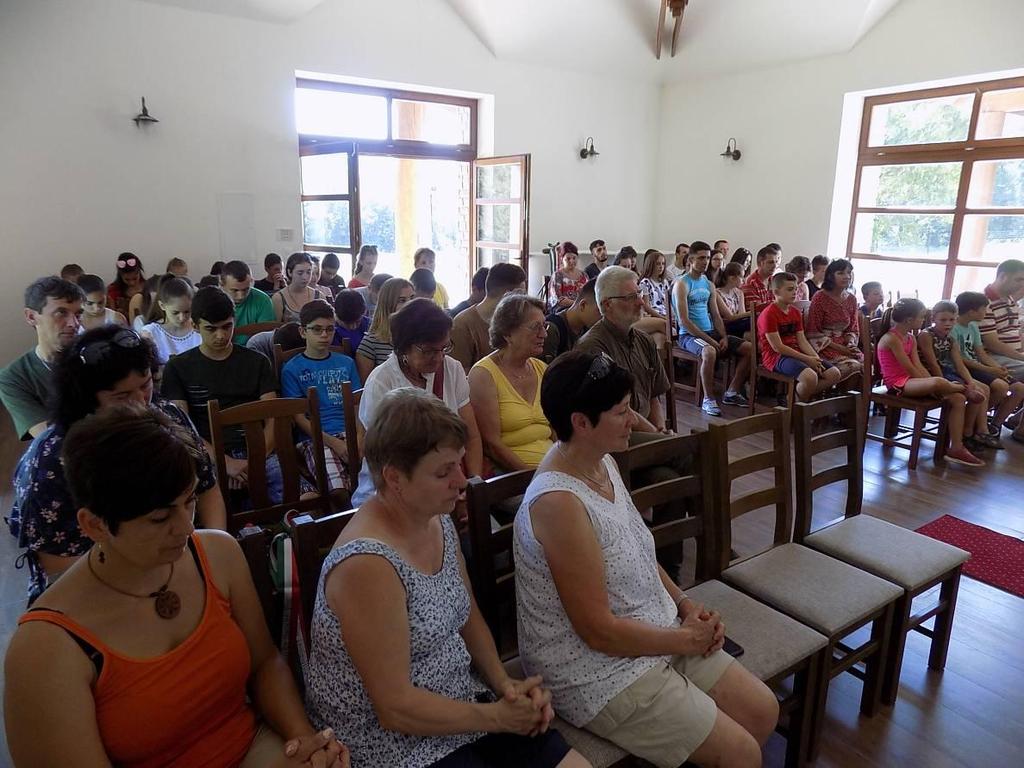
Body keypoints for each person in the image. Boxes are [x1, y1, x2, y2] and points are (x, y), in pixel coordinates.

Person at [5, 406, 347, 768]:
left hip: (254, 749)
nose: (186, 527)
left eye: (190, 502)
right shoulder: (47, 648)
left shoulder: (215, 553)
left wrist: (305, 742)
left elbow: (264, 663)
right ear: (95, 525)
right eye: (159, 518)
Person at [514, 350, 778, 768]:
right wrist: (684, 639)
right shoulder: (558, 502)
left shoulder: (600, 461)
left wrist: (686, 607)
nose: (635, 419)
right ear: (581, 423)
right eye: (621, 412)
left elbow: (638, 547)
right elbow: (597, 633)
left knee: (763, 710)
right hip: (593, 669)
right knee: (743, 754)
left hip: (648, 626)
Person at [305, 388, 584, 768]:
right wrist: (498, 717)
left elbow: (467, 614)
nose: (461, 479)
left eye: (458, 463)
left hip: (460, 702)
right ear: (394, 478)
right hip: (394, 744)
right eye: (443, 471)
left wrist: (505, 686)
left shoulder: (435, 518)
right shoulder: (366, 564)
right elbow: (395, 708)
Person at [9, 326, 227, 603]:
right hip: (97, 590)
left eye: (146, 385)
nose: (140, 404)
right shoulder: (52, 460)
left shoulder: (167, 418)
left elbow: (207, 489)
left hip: (176, 564)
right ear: (87, 399)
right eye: (122, 397)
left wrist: (208, 558)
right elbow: (61, 566)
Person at [351, 299, 484, 506]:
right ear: (403, 347)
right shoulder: (382, 381)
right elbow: (383, 457)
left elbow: (472, 436)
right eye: (429, 350)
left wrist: (472, 486)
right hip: (395, 492)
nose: (439, 358)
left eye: (444, 348)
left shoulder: (452, 369)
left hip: (447, 485)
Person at [161, 286, 286, 500]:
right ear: (195, 326)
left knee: (302, 497)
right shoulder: (177, 368)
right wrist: (225, 463)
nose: (221, 335)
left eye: (227, 326)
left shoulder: (256, 361)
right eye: (211, 329)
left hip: (259, 451)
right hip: (206, 454)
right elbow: (182, 427)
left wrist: (253, 460)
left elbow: (273, 418)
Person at [879, 298, 983, 466]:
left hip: (913, 381)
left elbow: (918, 365)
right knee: (937, 383)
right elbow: (909, 368)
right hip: (898, 383)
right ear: (909, 320)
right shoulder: (891, 338)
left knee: (957, 399)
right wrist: (932, 384)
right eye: (921, 317)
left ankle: (956, 447)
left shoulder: (911, 338)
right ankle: (963, 388)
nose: (923, 320)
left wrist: (931, 381)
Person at [577, 266, 670, 434]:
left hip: (647, 432)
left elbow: (653, 395)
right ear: (607, 305)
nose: (641, 302)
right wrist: (657, 437)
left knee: (693, 448)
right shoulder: (593, 347)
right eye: (631, 297)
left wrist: (660, 428)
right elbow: (615, 406)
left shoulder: (645, 340)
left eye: (640, 294)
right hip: (614, 435)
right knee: (688, 454)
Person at [281, 301, 362, 494]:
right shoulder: (291, 369)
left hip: (351, 432)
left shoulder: (346, 362)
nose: (325, 335)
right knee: (338, 489)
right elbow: (299, 418)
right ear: (303, 332)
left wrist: (359, 439)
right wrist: (335, 443)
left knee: (375, 480)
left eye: (329, 329)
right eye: (317, 330)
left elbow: (358, 405)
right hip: (315, 437)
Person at [469, 295, 552, 472]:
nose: (544, 334)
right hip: (511, 477)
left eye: (544, 326)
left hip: (550, 469)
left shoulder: (542, 369)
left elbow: (556, 431)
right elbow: (492, 445)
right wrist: (535, 478)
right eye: (535, 327)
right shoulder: (483, 374)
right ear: (507, 333)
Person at [0, 277, 84, 439]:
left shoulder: (94, 357)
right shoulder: (13, 377)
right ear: (31, 317)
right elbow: (49, 440)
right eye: (61, 313)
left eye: (78, 314)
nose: (73, 324)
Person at [673, 244, 751, 416]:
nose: (705, 262)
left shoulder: (709, 284)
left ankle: (732, 392)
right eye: (701, 258)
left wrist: (722, 336)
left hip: (711, 332)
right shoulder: (682, 284)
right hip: (689, 335)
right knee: (709, 352)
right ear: (691, 260)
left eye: (707, 258)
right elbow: (684, 322)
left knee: (749, 349)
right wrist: (711, 341)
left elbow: (716, 315)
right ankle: (708, 400)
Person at [918, 301, 999, 453]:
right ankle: (964, 394)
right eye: (943, 320)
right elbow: (933, 364)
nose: (948, 324)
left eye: (951, 320)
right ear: (933, 319)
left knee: (982, 389)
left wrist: (970, 381)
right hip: (930, 373)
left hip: (948, 370)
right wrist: (944, 385)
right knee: (965, 391)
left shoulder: (951, 339)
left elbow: (959, 365)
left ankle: (967, 432)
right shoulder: (926, 335)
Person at [757, 272, 842, 403]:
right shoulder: (769, 314)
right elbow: (778, 347)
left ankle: (792, 399)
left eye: (795, 289)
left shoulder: (795, 312)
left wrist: (815, 358)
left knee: (834, 374)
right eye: (790, 289)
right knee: (810, 378)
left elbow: (802, 340)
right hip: (776, 357)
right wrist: (807, 359)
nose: (794, 293)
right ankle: (796, 406)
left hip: (796, 352)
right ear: (776, 291)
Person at [953, 291, 1024, 444]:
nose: (986, 313)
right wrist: (990, 370)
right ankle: (973, 426)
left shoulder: (972, 326)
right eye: (984, 309)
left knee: (1019, 388)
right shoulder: (954, 328)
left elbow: (981, 354)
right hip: (966, 368)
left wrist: (999, 368)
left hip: (979, 365)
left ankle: (992, 427)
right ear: (972, 311)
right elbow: (961, 360)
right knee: (1000, 386)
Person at [451, 263, 527, 374]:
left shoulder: (514, 322)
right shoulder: (462, 325)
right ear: (508, 295)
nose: (524, 300)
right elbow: (460, 378)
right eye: (522, 295)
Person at [805, 259, 864, 383]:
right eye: (841, 273)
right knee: (855, 366)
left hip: (844, 343)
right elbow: (813, 332)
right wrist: (841, 349)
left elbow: (852, 328)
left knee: (867, 365)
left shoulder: (851, 299)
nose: (846, 276)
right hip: (825, 346)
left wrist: (850, 343)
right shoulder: (820, 297)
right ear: (831, 276)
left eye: (849, 273)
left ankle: (851, 400)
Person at [355, 277, 414, 383]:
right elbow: (367, 390)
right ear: (388, 305)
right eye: (402, 300)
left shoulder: (421, 338)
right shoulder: (371, 343)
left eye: (412, 298)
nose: (410, 305)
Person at [979, 258, 1024, 381]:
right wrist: (1021, 357)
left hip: (1014, 355)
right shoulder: (984, 302)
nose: (1022, 284)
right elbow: (992, 344)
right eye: (1019, 279)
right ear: (1003, 276)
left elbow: (1016, 332)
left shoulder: (1010, 300)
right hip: (994, 356)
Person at [140, 276, 201, 366]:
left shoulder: (199, 329)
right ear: (162, 306)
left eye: (187, 311)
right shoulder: (150, 333)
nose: (182, 318)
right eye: (175, 313)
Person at [542, 278, 601, 363]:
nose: (603, 317)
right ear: (583, 305)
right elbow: (544, 371)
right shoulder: (552, 328)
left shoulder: (587, 327)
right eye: (599, 311)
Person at [221, 259, 276, 345]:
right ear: (222, 286)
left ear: (252, 282)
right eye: (235, 290)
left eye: (246, 289)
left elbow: (265, 339)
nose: (241, 296)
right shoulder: (213, 302)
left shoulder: (263, 300)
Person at [273, 252, 330, 323]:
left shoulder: (319, 296)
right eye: (300, 273)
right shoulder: (279, 298)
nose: (305, 277)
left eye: (309, 272)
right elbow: (275, 328)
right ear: (290, 272)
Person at [714, 262, 750, 337]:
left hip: (739, 324)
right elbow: (729, 317)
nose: (743, 280)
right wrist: (752, 312)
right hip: (726, 326)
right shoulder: (717, 293)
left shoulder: (739, 293)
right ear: (732, 278)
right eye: (741, 277)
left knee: (752, 327)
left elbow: (742, 314)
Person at [549, 241, 587, 311]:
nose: (571, 261)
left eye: (574, 258)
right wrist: (576, 304)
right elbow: (558, 300)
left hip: (581, 309)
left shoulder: (584, 275)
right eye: (568, 259)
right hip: (563, 311)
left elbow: (588, 295)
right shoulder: (558, 275)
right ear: (562, 259)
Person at [742, 244, 780, 313]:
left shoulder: (774, 281)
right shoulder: (750, 282)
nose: (775, 266)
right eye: (771, 262)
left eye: (776, 262)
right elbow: (758, 310)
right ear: (760, 263)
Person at [638, 248, 673, 325]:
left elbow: (668, 302)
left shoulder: (664, 282)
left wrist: (672, 316)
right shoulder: (645, 283)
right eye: (658, 264)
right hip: (654, 315)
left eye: (663, 264)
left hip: (666, 314)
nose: (661, 266)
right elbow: (646, 306)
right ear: (651, 265)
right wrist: (662, 318)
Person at [106, 253, 146, 318]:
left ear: (139, 272)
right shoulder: (113, 290)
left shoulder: (148, 287)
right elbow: (111, 315)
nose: (132, 283)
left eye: (135, 278)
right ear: (120, 275)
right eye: (127, 279)